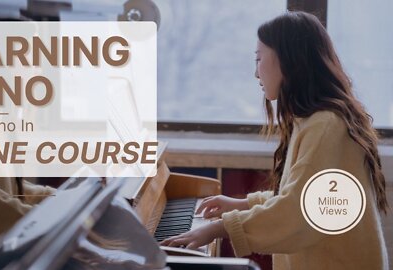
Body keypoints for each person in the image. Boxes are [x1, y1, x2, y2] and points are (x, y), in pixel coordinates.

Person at [161, 11, 389, 270]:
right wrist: (244, 203)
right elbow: (301, 194)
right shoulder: (317, 120)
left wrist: (221, 227)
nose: (256, 73)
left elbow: (299, 212)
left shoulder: (325, 126)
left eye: (259, 59)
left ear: (289, 61)